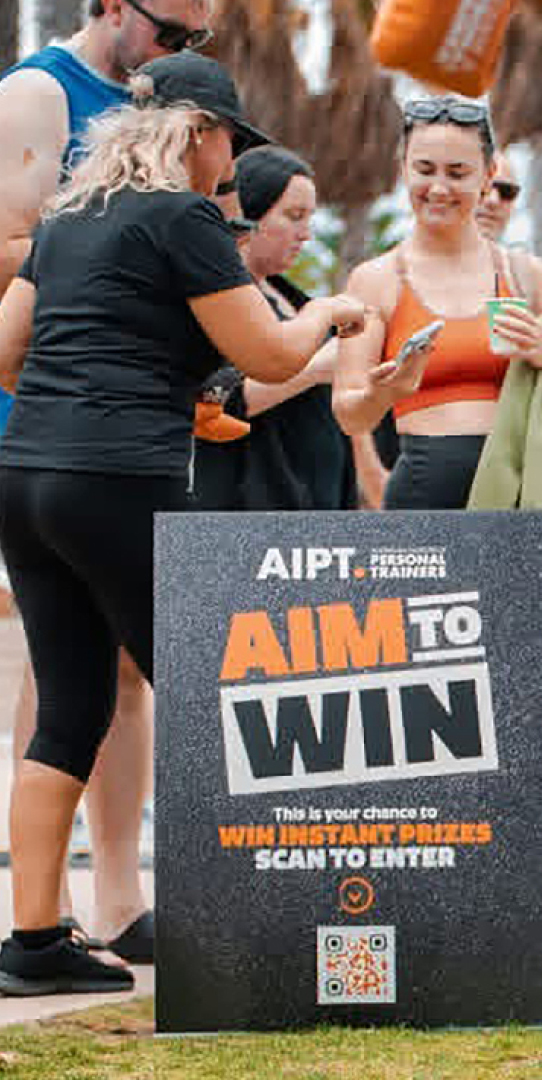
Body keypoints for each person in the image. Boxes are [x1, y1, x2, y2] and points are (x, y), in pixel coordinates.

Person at [0, 52, 365, 996]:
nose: (230, 169)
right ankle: (252, 934)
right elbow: (271, 351)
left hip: (27, 478)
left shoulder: (68, 217)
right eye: (230, 147)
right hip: (120, 479)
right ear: (200, 132)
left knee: (70, 710)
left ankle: (33, 942)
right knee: (215, 698)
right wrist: (331, 311)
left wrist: (132, 390)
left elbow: (6, 353)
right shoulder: (185, 216)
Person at [0, 0, 214, 964]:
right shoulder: (38, 94)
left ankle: (106, 906)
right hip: (68, 431)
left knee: (112, 682)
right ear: (113, 5)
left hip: (90, 430)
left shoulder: (149, 133)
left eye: (197, 37)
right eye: (172, 31)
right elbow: (9, 244)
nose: (181, 47)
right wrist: (156, 253)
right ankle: (46, 908)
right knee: (73, 677)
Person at [332, 95, 542, 510]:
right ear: (403, 169)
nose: (439, 189)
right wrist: (383, 393)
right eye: (424, 170)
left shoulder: (526, 275)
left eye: (457, 173)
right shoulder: (375, 281)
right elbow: (349, 413)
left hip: (523, 493)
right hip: (422, 497)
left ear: (488, 175)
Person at [193, 145, 358, 511]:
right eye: (294, 216)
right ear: (248, 216)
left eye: (309, 218)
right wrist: (316, 367)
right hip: (254, 507)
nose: (305, 234)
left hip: (324, 506)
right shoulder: (218, 302)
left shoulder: (295, 299)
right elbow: (219, 401)